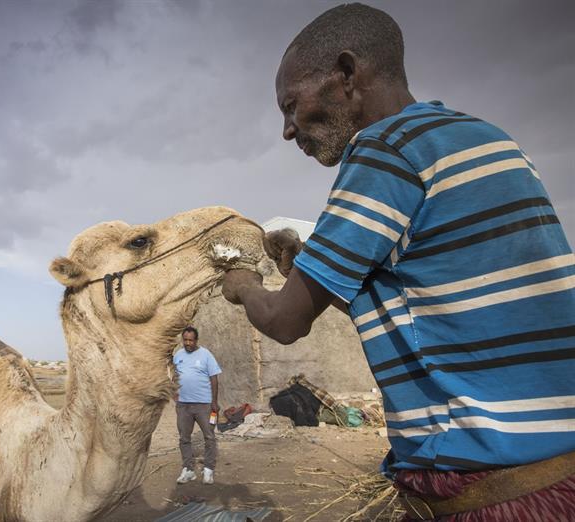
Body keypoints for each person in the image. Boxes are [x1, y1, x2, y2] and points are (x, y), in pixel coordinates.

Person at [221, 3, 575, 519]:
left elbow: (284, 321)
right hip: (556, 471)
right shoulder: (487, 139)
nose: (288, 130)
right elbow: (424, 303)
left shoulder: (384, 150)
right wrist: (310, 266)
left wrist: (242, 284)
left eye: (291, 105)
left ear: (346, 73)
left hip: (486, 487)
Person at [173, 326, 221, 485]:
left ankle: (208, 470)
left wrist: (214, 402)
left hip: (204, 405)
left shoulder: (206, 355)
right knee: (184, 438)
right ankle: (188, 470)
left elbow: (214, 378)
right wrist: (174, 395)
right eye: (185, 340)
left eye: (191, 340)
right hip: (183, 405)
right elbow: (173, 375)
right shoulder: (178, 355)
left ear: (196, 340)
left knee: (209, 437)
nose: (188, 343)